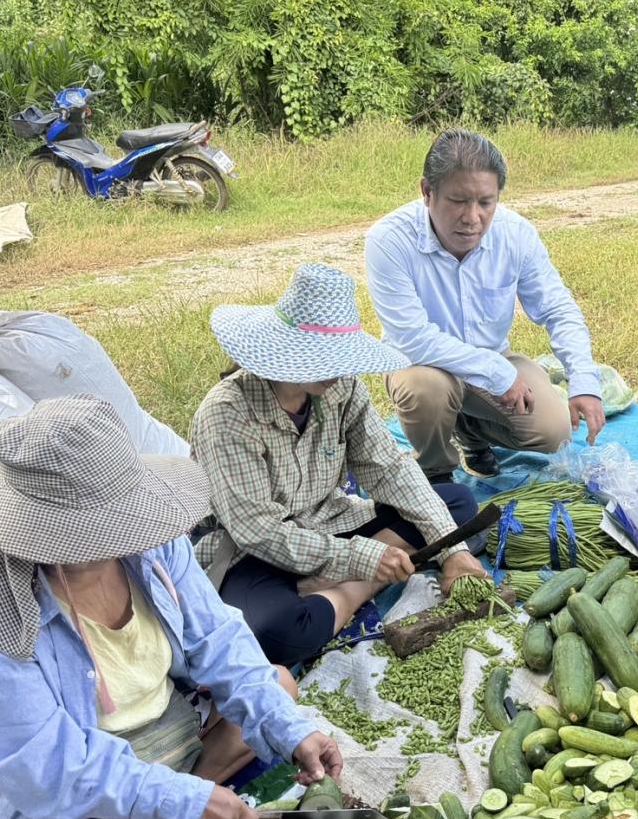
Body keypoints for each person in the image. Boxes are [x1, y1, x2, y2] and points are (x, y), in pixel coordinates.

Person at [0, 396, 343, 819]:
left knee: (275, 690)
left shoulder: (148, 540)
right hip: (56, 789)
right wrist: (179, 797)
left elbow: (216, 639)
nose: (110, 542)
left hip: (161, 734)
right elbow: (42, 768)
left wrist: (289, 728)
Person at [191, 263, 487, 668]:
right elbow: (257, 531)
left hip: (329, 523)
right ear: (287, 351)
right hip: (252, 552)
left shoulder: (341, 388)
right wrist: (364, 561)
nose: (342, 369)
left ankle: (331, 588)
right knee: (274, 632)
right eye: (326, 358)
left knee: (455, 503)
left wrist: (452, 548)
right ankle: (357, 589)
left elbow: (389, 470)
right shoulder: (226, 414)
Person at [365, 128, 606, 483]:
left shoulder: (516, 234)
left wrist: (584, 380)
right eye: (458, 200)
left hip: (492, 356)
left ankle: (469, 432)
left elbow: (558, 309)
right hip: (420, 362)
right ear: (427, 192)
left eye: (485, 202)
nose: (472, 217)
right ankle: (435, 472)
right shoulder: (389, 240)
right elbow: (412, 337)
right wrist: (498, 373)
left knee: (554, 432)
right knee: (428, 391)